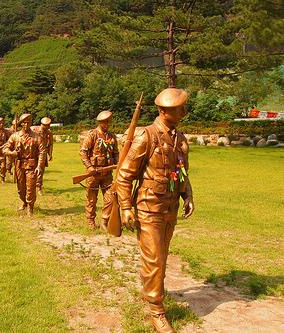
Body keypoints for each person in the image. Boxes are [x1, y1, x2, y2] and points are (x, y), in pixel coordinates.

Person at [116, 88, 194, 333]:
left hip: (169, 207)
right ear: (163, 111)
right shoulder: (146, 136)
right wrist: (126, 207)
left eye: (182, 107)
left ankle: (151, 291)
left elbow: (181, 171)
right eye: (178, 108)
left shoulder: (180, 138)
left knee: (162, 256)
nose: (183, 111)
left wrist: (188, 194)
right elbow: (124, 175)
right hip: (148, 207)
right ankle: (156, 311)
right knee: (155, 258)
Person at [79, 111, 118, 229]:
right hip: (93, 174)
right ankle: (91, 221)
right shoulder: (92, 135)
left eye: (108, 122)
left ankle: (104, 221)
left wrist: (118, 162)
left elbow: (116, 152)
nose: (107, 124)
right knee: (92, 200)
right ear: (100, 122)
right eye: (104, 122)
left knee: (111, 198)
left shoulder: (111, 136)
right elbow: (83, 152)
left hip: (107, 174)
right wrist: (89, 167)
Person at [3, 113, 46, 216]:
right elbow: (5, 149)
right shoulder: (15, 136)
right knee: (20, 188)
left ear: (31, 123)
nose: (26, 125)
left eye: (28, 123)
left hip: (31, 166)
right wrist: (12, 153)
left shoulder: (37, 137)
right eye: (24, 123)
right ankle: (24, 202)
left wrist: (40, 165)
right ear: (21, 124)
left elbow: (42, 151)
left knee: (30, 187)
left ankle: (30, 207)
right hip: (19, 164)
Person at [32, 117, 54, 195]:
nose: (48, 127)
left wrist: (50, 154)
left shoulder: (49, 132)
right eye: (47, 125)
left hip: (43, 154)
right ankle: (30, 185)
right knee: (31, 169)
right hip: (33, 153)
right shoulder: (33, 129)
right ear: (42, 124)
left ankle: (39, 187)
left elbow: (50, 144)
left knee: (40, 170)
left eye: (49, 125)